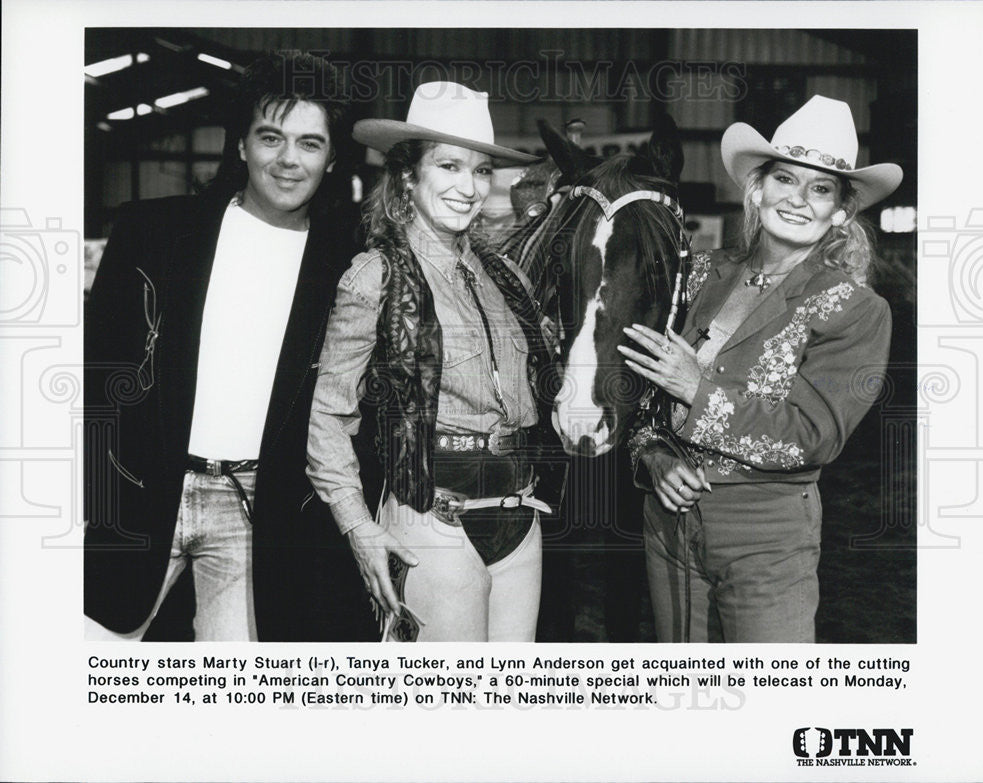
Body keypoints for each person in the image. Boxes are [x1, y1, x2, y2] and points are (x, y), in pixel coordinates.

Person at [84, 52, 376, 641]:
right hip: (141, 494)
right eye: (271, 137)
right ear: (241, 145)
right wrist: (91, 491)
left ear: (331, 157)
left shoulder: (348, 262)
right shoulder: (153, 232)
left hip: (255, 509)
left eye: (310, 143)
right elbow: (97, 373)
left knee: (236, 699)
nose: (289, 159)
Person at [619, 95, 903, 643]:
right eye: (784, 180)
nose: (798, 200)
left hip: (767, 531)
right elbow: (643, 395)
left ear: (840, 211)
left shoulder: (855, 308)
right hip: (668, 522)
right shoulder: (699, 272)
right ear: (757, 190)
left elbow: (810, 438)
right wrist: (652, 456)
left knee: (773, 696)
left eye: (819, 189)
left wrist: (696, 389)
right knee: (683, 696)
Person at [306, 81, 559, 642]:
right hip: (431, 511)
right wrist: (358, 528)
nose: (469, 187)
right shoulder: (375, 276)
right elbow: (327, 417)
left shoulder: (507, 279)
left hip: (519, 512)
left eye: (481, 171)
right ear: (407, 176)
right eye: (449, 167)